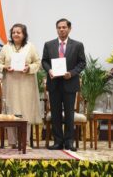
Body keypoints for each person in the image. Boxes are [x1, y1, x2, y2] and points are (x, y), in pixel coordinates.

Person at [42, 18, 86, 152]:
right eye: (59, 27)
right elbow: (44, 61)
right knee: (55, 114)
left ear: (69, 29)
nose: (61, 30)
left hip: (70, 83)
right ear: (56, 29)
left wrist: (71, 73)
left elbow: (82, 63)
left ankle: (69, 142)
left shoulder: (78, 45)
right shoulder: (49, 44)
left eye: (64, 27)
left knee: (69, 114)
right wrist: (49, 70)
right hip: (54, 84)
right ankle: (58, 142)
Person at [0, 23, 42, 148]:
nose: (16, 34)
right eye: (13, 32)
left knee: (25, 112)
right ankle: (12, 142)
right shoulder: (6, 47)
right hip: (10, 84)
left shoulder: (30, 47)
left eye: (18, 32)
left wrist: (29, 68)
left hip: (26, 84)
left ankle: (25, 142)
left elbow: (38, 63)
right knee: (11, 112)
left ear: (24, 34)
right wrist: (5, 67)